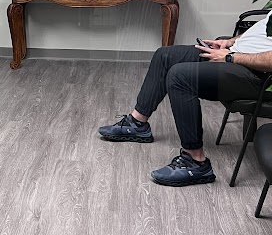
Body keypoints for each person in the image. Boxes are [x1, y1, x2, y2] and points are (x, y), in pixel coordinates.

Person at [98, 12, 272, 186]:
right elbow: (265, 28)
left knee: (180, 76)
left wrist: (229, 57)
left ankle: (196, 161)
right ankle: (137, 123)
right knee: (164, 55)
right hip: (236, 56)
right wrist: (231, 42)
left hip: (260, 77)